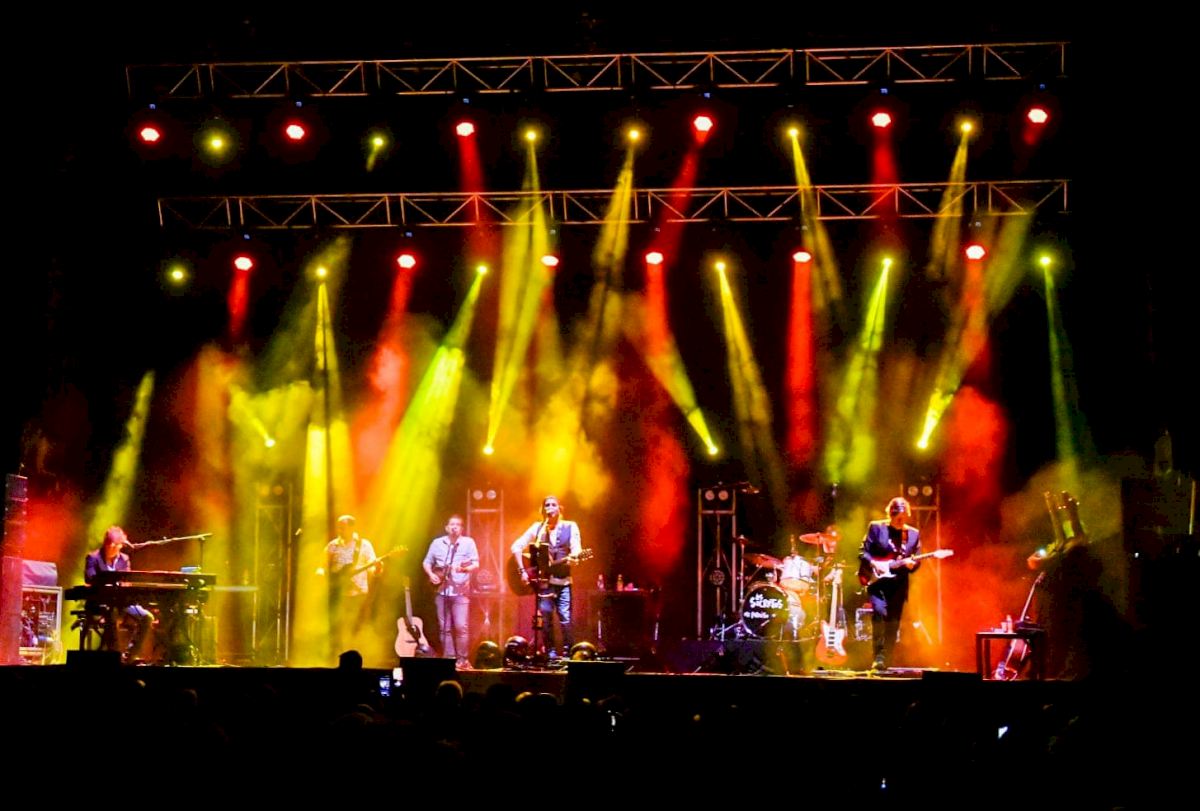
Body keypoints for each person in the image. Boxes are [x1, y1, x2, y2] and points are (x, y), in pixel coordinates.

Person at [511, 495, 582, 659]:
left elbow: (577, 549)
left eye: (553, 505)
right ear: (543, 510)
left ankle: (568, 654)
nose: (550, 507)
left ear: (559, 509)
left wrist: (575, 557)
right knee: (546, 619)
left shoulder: (570, 526)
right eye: (547, 505)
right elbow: (516, 546)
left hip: (563, 581)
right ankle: (550, 653)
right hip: (544, 584)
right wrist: (522, 571)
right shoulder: (538, 528)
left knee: (565, 618)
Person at [858, 497, 921, 671]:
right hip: (877, 582)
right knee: (879, 613)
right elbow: (863, 552)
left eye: (903, 517)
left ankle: (886, 659)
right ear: (890, 514)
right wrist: (874, 563)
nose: (900, 521)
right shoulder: (876, 528)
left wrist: (913, 564)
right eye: (897, 517)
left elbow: (917, 558)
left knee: (893, 622)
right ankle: (878, 655)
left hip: (898, 584)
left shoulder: (913, 534)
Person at [83, 526, 154, 661]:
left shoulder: (124, 559)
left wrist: (124, 587)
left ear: (121, 545)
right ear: (105, 543)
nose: (111, 548)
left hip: (122, 602)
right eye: (109, 544)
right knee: (112, 613)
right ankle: (115, 656)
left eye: (115, 545)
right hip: (100, 602)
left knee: (147, 617)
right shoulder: (93, 557)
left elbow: (127, 581)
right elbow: (89, 578)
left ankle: (130, 655)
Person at [422, 514, 479, 669]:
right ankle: (450, 659)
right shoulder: (437, 543)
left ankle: (462, 660)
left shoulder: (468, 542)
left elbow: (476, 563)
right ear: (447, 528)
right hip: (442, 591)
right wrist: (431, 574)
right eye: (452, 524)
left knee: (461, 627)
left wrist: (465, 569)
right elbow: (427, 562)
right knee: (444, 628)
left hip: (460, 591)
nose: (454, 527)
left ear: (462, 528)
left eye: (458, 525)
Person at [322, 515, 380, 657]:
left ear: (352, 528)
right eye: (339, 527)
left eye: (343, 527)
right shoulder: (332, 545)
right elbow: (323, 566)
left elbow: (372, 569)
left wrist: (378, 569)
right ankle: (337, 657)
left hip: (359, 594)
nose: (340, 530)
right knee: (337, 630)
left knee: (357, 628)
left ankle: (358, 658)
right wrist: (321, 572)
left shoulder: (364, 545)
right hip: (338, 594)